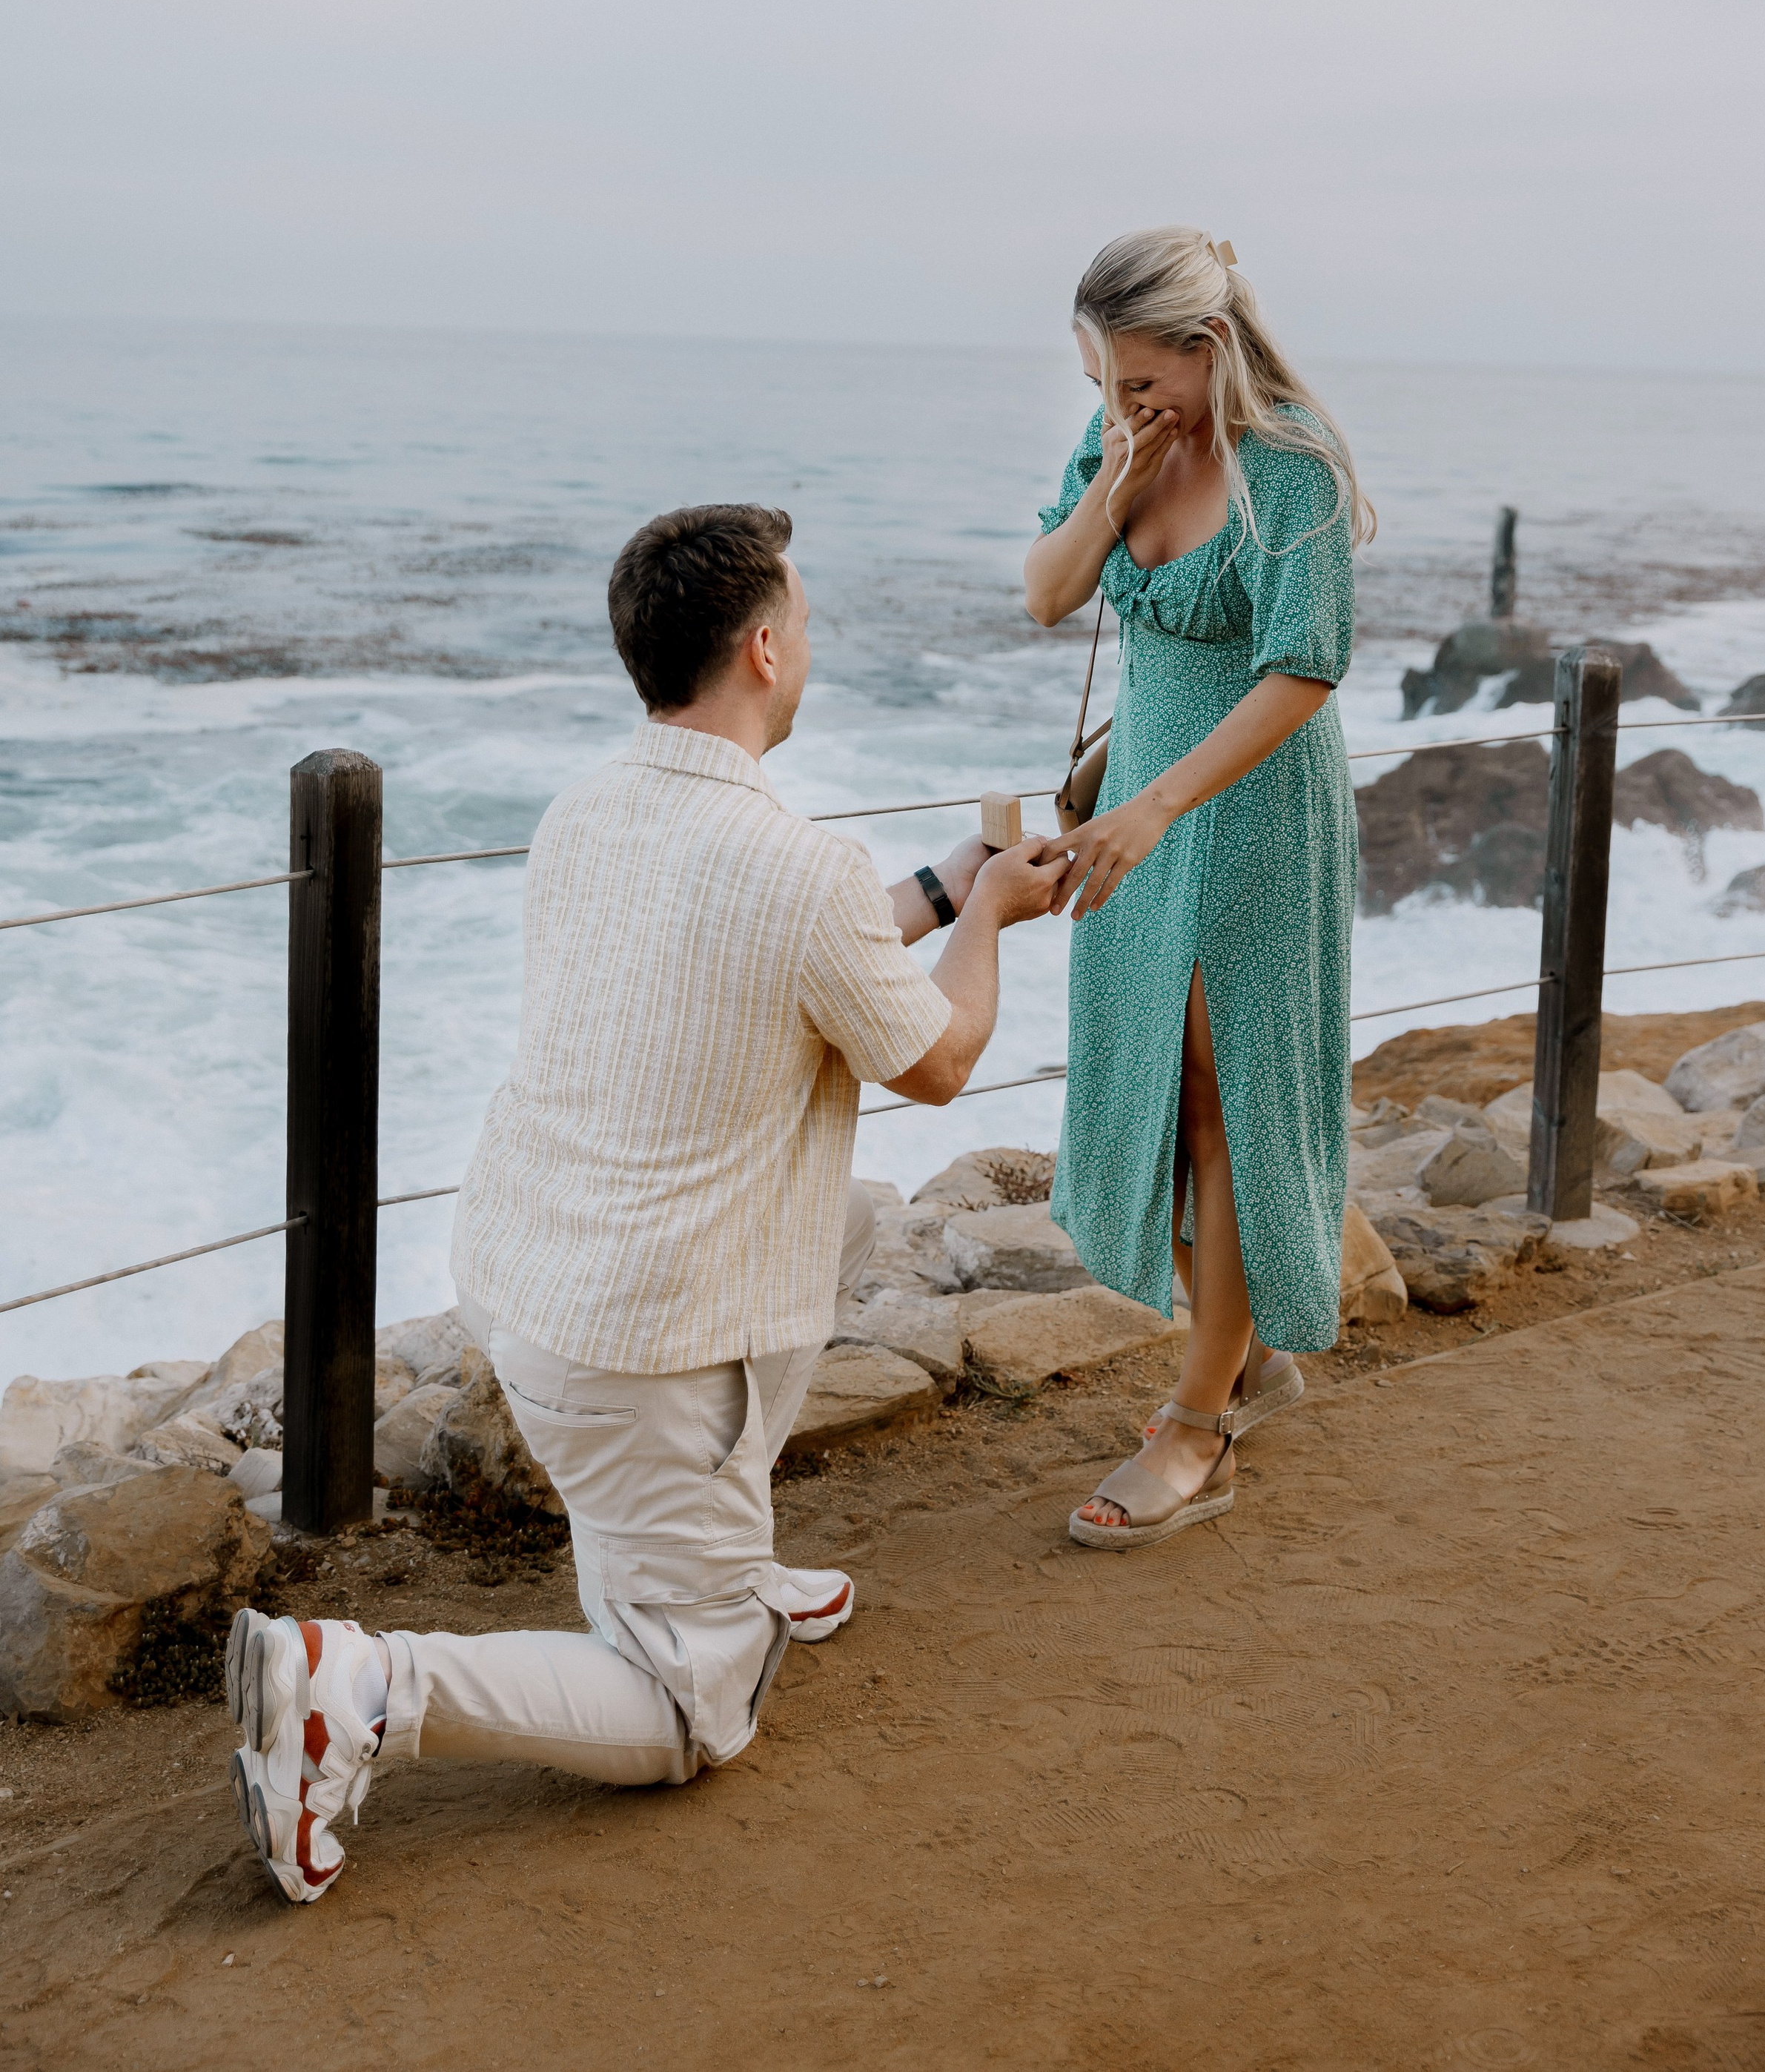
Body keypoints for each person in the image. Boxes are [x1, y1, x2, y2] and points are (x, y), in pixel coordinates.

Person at [225, 502, 1063, 1905]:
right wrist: (986, 924)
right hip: (645, 1347)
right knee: (696, 1715)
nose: (811, 637)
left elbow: (776, 941)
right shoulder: (790, 865)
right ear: (763, 644)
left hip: (537, 1281)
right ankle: (355, 1685)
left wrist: (932, 889)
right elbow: (939, 1057)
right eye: (802, 615)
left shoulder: (587, 810)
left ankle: (714, 1550)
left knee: (827, 1215)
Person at [1024, 228, 1371, 1550]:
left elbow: (1304, 667)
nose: (1120, 408)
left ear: (1207, 347)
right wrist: (1117, 472)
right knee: (1150, 1084)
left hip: (1249, 802)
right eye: (1104, 387)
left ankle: (1199, 1425)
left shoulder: (1292, 470)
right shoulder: (1116, 444)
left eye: (1138, 385)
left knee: (1226, 1097)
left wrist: (1160, 804)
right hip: (1140, 806)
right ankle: (1242, 1352)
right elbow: (1047, 596)